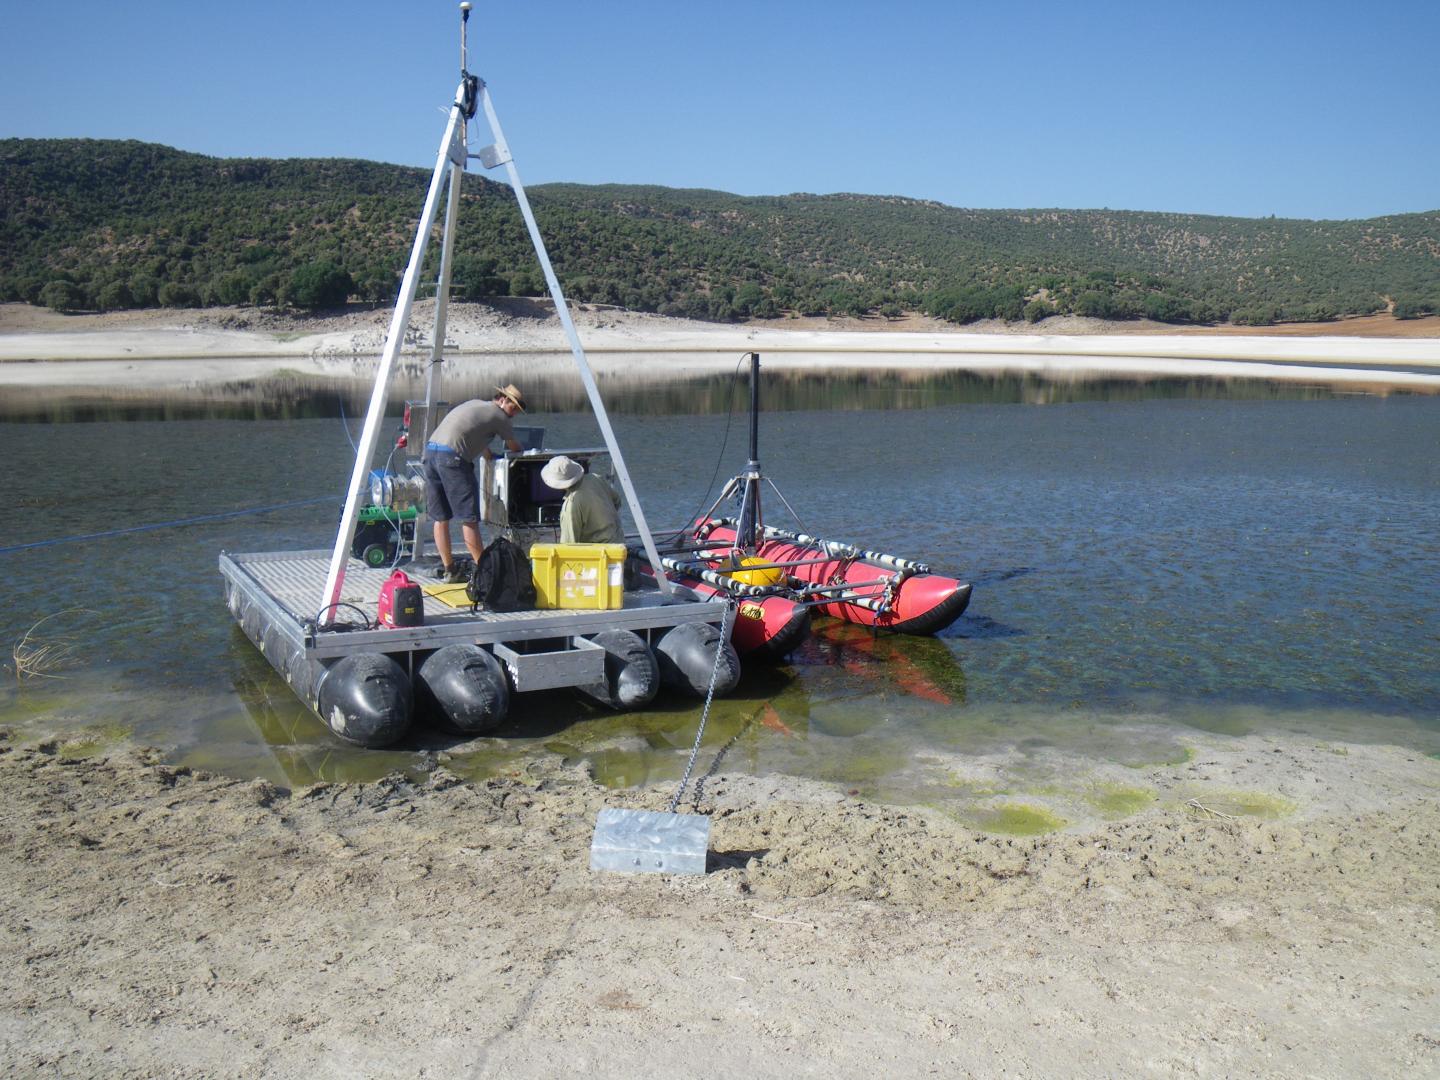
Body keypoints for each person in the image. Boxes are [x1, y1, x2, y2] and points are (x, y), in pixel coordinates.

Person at [423, 384, 526, 582]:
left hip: (431, 454)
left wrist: (488, 455)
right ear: (503, 399)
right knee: (469, 518)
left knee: (441, 518)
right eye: (513, 408)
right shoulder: (499, 416)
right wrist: (524, 449)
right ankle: (484, 574)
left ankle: (450, 570)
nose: (513, 415)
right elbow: (514, 446)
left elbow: (473, 434)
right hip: (452, 459)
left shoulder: (476, 404)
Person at [540, 455, 624, 545]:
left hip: (599, 554)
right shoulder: (595, 478)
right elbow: (617, 501)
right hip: (619, 544)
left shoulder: (571, 505)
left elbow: (568, 546)